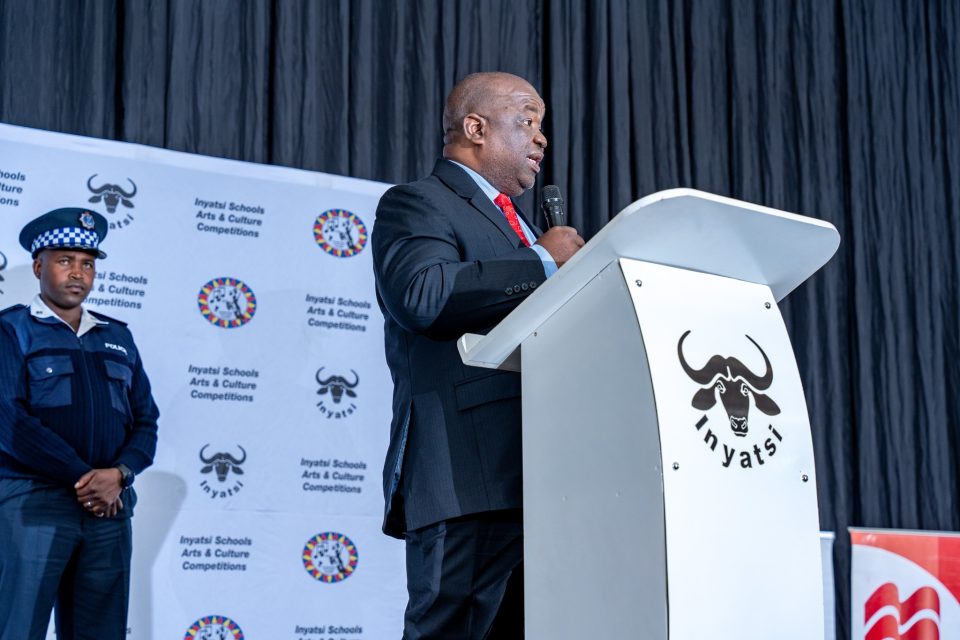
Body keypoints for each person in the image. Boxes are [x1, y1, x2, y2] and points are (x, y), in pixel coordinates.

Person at [372, 72, 584, 639]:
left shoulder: (522, 227)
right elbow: (422, 295)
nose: (541, 137)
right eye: (528, 119)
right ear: (475, 128)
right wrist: (541, 262)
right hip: (467, 474)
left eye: (542, 124)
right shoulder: (417, 202)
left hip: (542, 478)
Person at [0, 207, 159, 640]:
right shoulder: (11, 330)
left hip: (110, 509)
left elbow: (146, 421)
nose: (78, 273)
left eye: (87, 264)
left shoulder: (118, 336)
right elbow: (10, 422)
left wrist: (119, 475)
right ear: (38, 267)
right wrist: (88, 479)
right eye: (65, 260)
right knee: (18, 629)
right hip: (34, 503)